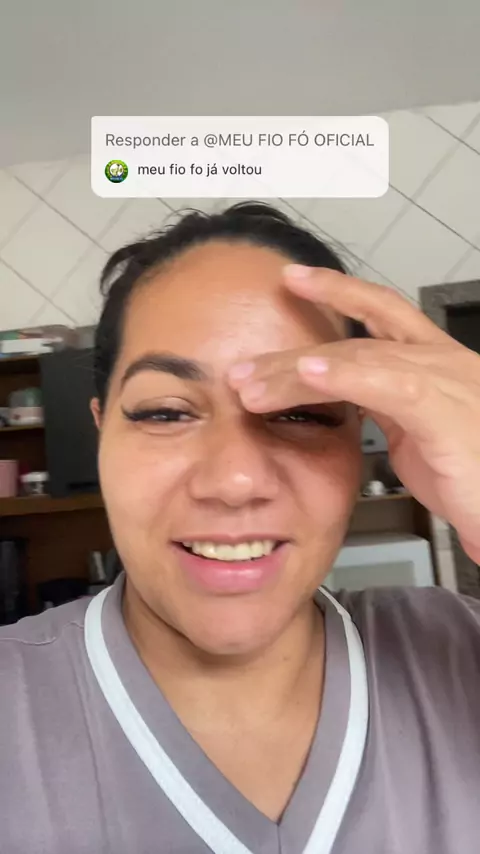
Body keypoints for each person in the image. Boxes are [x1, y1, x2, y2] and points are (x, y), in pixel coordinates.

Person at [1, 202, 480, 854]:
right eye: (166, 412)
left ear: (362, 435)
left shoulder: (455, 649)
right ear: (101, 430)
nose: (235, 480)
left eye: (302, 413)